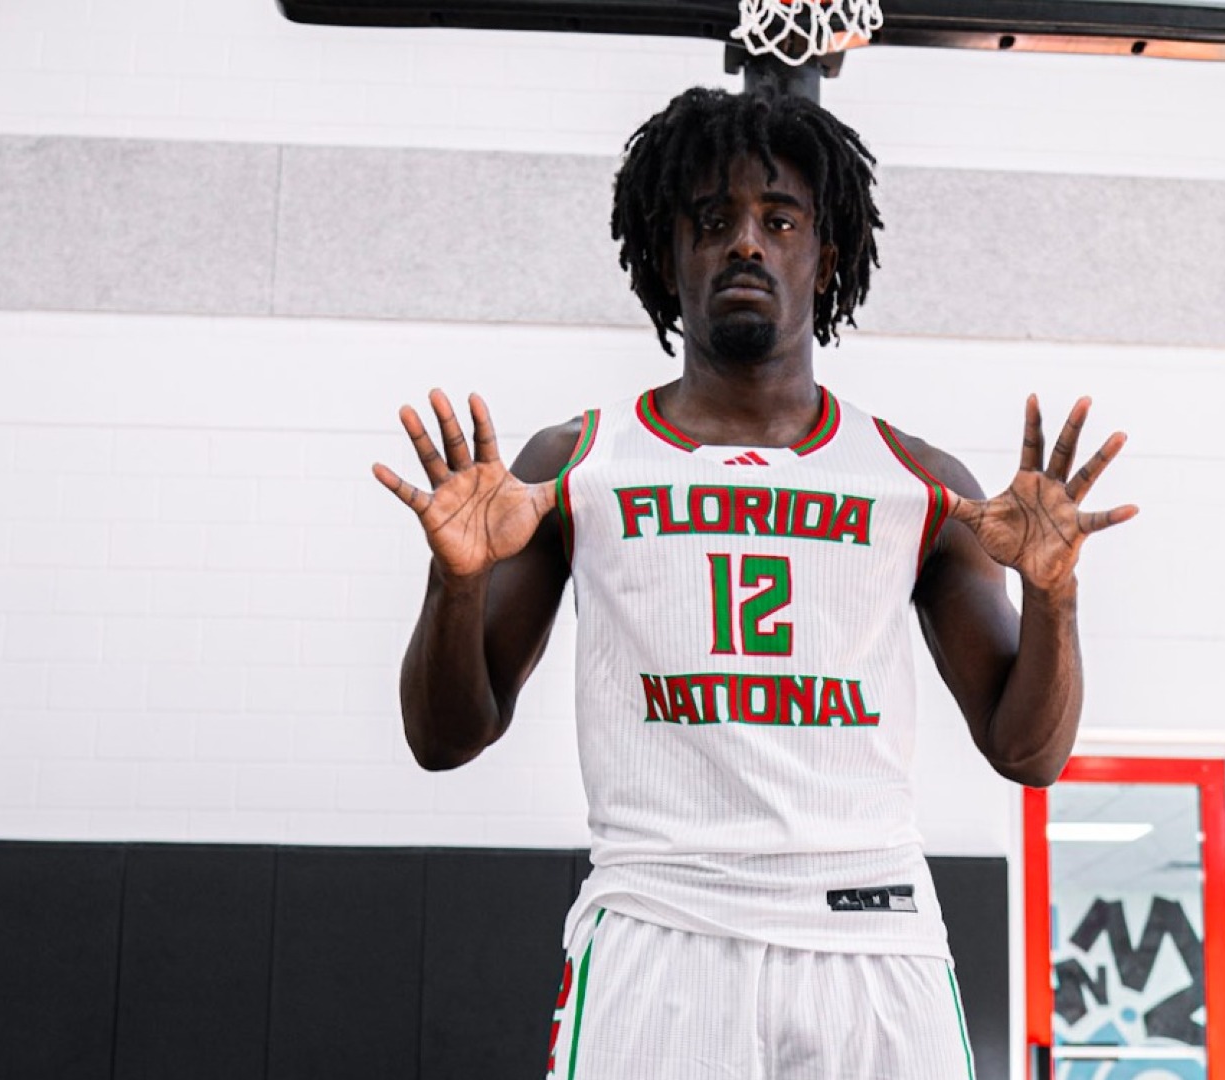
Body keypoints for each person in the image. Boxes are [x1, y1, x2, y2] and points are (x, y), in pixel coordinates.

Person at [372, 86, 1136, 1080]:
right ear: (664, 257)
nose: (745, 243)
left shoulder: (919, 483)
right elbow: (445, 738)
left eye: (778, 220)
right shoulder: (576, 462)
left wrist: (1055, 600)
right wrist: (456, 583)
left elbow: (1028, 753)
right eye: (711, 221)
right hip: (661, 926)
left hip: (874, 933)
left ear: (825, 260)